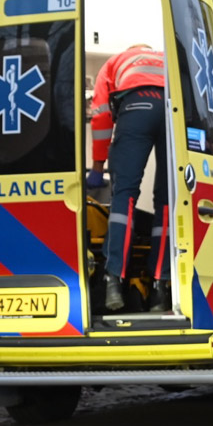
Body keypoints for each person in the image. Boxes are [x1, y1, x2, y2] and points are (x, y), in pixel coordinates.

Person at [87, 44, 169, 312]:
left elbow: (101, 117)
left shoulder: (114, 63)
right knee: (167, 201)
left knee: (125, 197)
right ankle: (160, 289)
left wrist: (98, 169)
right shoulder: (163, 59)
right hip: (172, 108)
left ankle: (113, 280)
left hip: (136, 105)